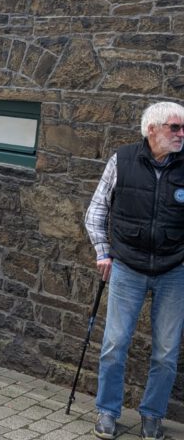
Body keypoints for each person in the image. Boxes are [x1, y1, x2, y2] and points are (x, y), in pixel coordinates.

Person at [85, 102, 184, 440]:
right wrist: (103, 252)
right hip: (127, 265)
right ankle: (107, 412)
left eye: (182, 128)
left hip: (174, 270)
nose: (181, 134)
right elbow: (96, 211)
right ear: (152, 129)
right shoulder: (122, 160)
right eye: (175, 127)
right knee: (115, 343)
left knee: (167, 352)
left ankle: (153, 416)